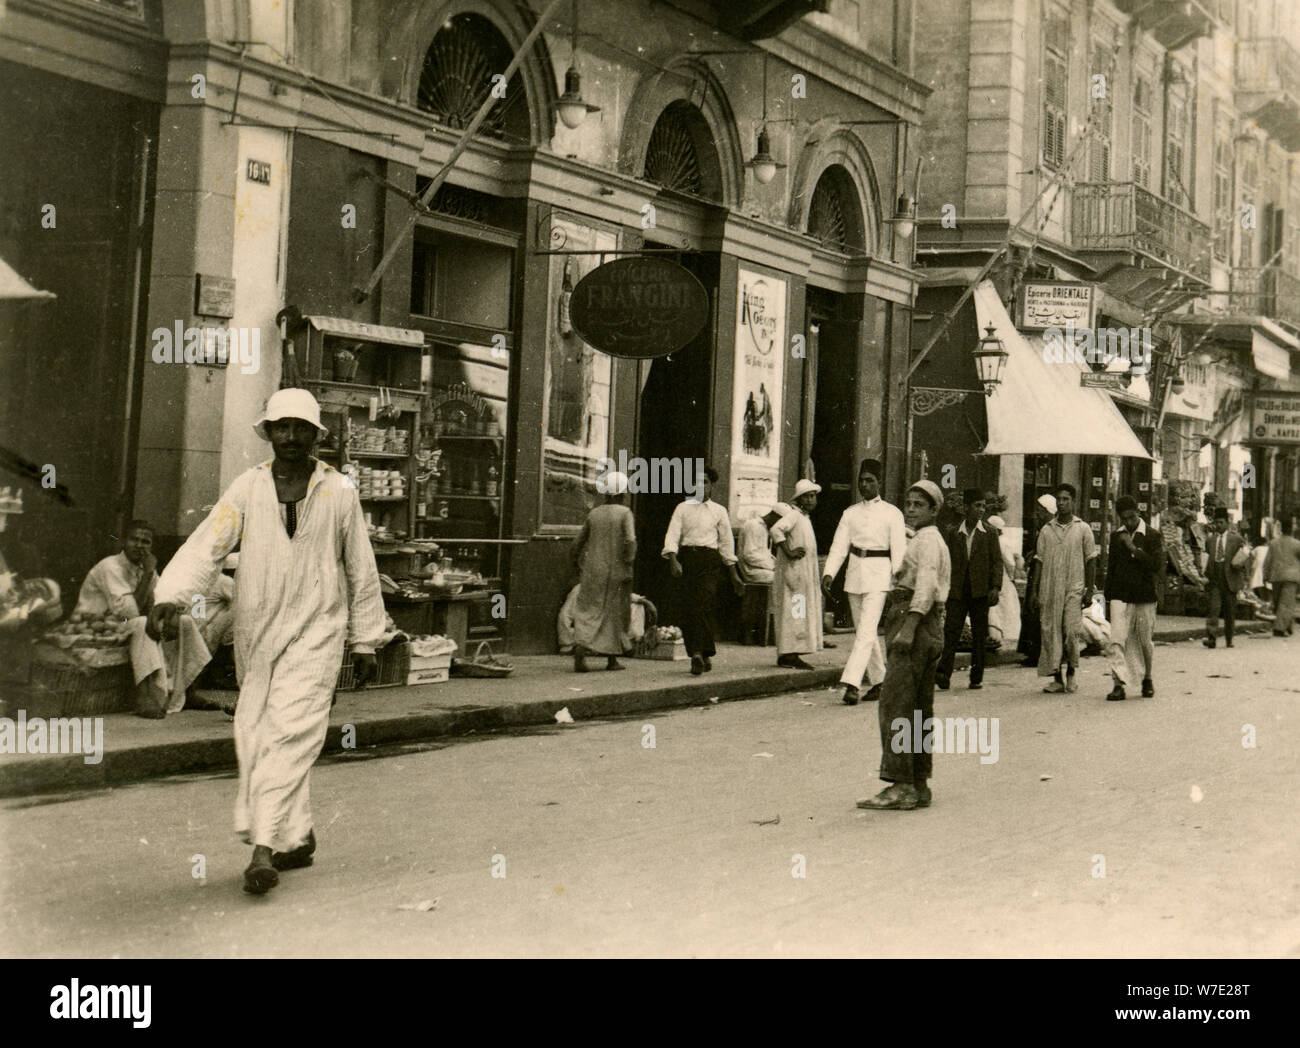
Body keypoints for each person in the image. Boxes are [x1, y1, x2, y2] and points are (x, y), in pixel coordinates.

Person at [148, 388, 385, 896]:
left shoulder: (339, 490)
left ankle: (263, 849)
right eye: (283, 427)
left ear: (316, 435)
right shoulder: (247, 488)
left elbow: (360, 568)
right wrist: (170, 595)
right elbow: (208, 545)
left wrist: (366, 639)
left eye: (302, 428)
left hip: (319, 629)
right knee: (257, 733)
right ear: (269, 432)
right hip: (257, 631)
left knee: (292, 731)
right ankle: (295, 836)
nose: (292, 437)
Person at [857, 479, 950, 811]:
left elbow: (924, 586)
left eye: (919, 504)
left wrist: (908, 626)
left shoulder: (926, 542)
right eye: (908, 503)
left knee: (896, 706)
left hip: (914, 621)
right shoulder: (929, 539)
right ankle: (919, 781)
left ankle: (900, 784)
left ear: (934, 510)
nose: (911, 509)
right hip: (928, 626)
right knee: (919, 709)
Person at [77, 521, 230, 717]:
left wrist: (172, 617)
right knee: (142, 624)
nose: (140, 545)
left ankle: (186, 690)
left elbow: (160, 600)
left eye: (146, 542)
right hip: (97, 626)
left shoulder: (144, 568)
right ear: (123, 542)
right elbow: (128, 612)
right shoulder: (110, 567)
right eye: (134, 540)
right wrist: (148, 573)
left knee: (185, 621)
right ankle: (144, 696)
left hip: (122, 625)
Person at [822, 458, 907, 705]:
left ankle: (851, 683)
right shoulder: (850, 513)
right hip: (855, 575)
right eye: (861, 480)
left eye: (870, 480)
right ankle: (881, 682)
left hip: (880, 577)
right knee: (864, 632)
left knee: (866, 630)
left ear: (880, 483)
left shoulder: (892, 514)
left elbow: (899, 552)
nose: (864, 485)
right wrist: (829, 573)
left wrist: (897, 582)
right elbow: (839, 546)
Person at [662, 466, 744, 675]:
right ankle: (700, 653)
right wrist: (673, 560)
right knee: (691, 606)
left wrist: (734, 575)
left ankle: (699, 653)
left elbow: (726, 544)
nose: (700, 486)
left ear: (711, 486)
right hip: (688, 559)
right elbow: (672, 535)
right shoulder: (682, 508)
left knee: (704, 603)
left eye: (705, 482)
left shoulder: (719, 511)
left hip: (710, 561)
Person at [1030, 483, 1097, 694]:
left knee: (1070, 631)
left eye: (1066, 498)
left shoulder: (1083, 529)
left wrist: (1089, 590)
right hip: (1050, 588)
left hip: (1074, 586)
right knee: (1051, 632)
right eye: (1059, 499)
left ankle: (1071, 673)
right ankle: (1057, 678)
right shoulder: (1047, 530)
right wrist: (1034, 591)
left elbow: (1091, 560)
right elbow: (1038, 561)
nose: (1062, 502)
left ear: (1073, 502)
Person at [935, 488, 1002, 691]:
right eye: (977, 506)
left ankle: (976, 676)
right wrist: (944, 588)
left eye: (983, 506)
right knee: (951, 632)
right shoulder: (954, 532)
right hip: (957, 591)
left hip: (980, 592)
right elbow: (945, 562)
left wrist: (995, 587)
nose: (981, 510)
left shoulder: (989, 533)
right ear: (966, 508)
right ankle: (943, 674)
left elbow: (997, 562)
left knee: (979, 635)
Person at [571, 472, 636, 672]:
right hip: (616, 570)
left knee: (588, 609)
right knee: (614, 613)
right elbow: (630, 541)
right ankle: (611, 659)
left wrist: (576, 562)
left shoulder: (594, 513)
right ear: (621, 494)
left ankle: (581, 646)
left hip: (592, 569)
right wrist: (629, 561)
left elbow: (578, 543)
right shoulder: (625, 513)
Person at [1103, 495, 1164, 701]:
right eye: (1124, 518)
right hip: (1120, 594)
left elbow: (1156, 565)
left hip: (1144, 595)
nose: (1128, 522)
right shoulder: (1115, 537)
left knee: (1144, 640)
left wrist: (1133, 549)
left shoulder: (1152, 536)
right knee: (1116, 640)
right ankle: (1118, 683)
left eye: (1131, 517)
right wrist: (1108, 597)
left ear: (1138, 512)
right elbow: (1111, 569)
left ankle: (1147, 678)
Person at [770, 479, 823, 670]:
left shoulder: (804, 518)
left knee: (798, 612)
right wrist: (789, 551)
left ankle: (793, 651)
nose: (810, 500)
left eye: (813, 496)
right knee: (795, 612)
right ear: (799, 500)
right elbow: (776, 529)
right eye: (806, 497)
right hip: (794, 574)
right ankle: (789, 653)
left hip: (802, 574)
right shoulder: (793, 515)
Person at [1016, 494, 1055, 666]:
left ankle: (1037, 653)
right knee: (1032, 614)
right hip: (1036, 576)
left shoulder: (1050, 531)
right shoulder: (1042, 530)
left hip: (1044, 578)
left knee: (1037, 614)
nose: (1037, 514)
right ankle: (1032, 652)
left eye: (1040, 511)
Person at [736, 502, 782, 645]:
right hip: (751, 570)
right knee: (782, 581)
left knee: (786, 579)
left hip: (761, 568)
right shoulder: (753, 526)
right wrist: (774, 567)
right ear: (774, 516)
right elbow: (749, 555)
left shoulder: (764, 528)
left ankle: (773, 630)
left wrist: (776, 564)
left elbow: (765, 554)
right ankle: (770, 631)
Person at [1202, 505, 1246, 649]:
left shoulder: (1236, 539)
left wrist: (1240, 567)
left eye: (1221, 522)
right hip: (1215, 578)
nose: (1218, 525)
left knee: (1229, 610)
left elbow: (1244, 557)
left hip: (1230, 579)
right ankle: (1211, 638)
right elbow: (1206, 558)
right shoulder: (1210, 540)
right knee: (1213, 609)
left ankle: (1229, 638)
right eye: (1216, 523)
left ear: (1227, 523)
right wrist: (1205, 574)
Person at [985, 513, 1021, 651]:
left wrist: (1011, 576)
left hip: (1002, 579)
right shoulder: (997, 541)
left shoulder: (1000, 542)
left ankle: (1006, 633)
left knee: (1004, 607)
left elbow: (1009, 563)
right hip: (1001, 578)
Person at [1264, 517, 1300, 636]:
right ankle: (1280, 628)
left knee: (1279, 602)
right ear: (1291, 528)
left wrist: (1265, 575)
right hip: (1291, 577)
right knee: (1286, 603)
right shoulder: (1297, 544)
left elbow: (1267, 560)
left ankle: (1287, 625)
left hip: (1276, 576)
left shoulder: (1273, 543)